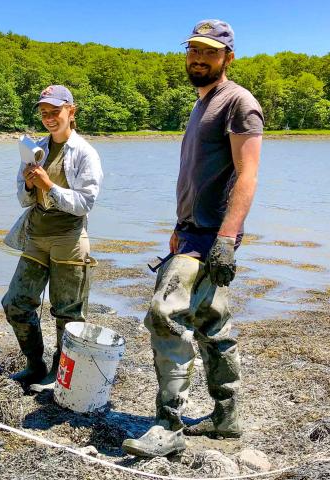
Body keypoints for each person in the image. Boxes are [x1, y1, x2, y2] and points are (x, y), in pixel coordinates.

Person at [122, 19, 264, 457]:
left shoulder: (238, 103)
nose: (199, 58)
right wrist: (179, 228)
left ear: (228, 57)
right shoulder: (202, 104)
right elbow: (198, 178)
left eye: (209, 51)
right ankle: (227, 416)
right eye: (193, 50)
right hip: (192, 233)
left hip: (211, 237)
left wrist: (226, 237)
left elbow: (248, 174)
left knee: (165, 313)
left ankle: (168, 425)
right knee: (212, 322)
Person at [2, 85, 103, 392]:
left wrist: (48, 185)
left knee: (68, 314)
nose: (48, 118)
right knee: (16, 304)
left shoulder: (85, 152)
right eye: (44, 113)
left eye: (55, 111)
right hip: (35, 235)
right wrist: (31, 187)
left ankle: (60, 375)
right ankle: (35, 365)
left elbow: (85, 203)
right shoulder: (36, 149)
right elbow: (22, 197)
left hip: (69, 239)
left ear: (71, 112)